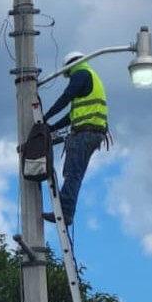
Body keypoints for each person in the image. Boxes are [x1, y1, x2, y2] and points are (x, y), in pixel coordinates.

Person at [42, 51, 108, 226]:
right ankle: (67, 211)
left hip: (84, 133)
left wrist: (46, 116)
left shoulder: (81, 73)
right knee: (75, 174)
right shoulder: (91, 77)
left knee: (72, 174)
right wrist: (51, 127)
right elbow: (72, 116)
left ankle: (65, 212)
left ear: (68, 68)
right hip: (93, 133)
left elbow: (66, 96)